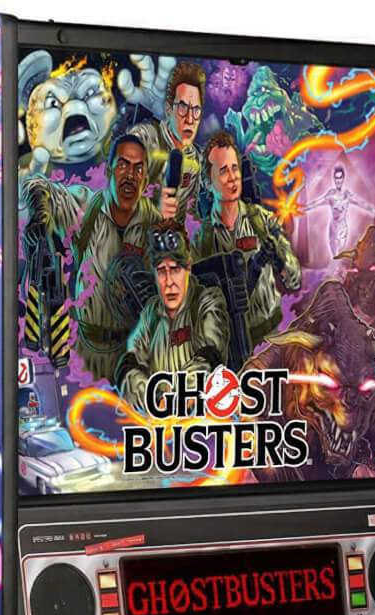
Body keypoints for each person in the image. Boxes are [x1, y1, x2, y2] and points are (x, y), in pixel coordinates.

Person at [19, 132, 157, 382]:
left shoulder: (155, 225)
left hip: (136, 357)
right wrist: (40, 213)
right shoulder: (86, 207)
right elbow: (37, 185)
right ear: (109, 171)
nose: (130, 175)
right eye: (123, 165)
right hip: (86, 352)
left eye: (138, 169)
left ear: (145, 179)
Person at [193, 130, 302, 350]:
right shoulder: (203, 240)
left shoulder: (260, 221)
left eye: (235, 168)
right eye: (223, 170)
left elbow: (294, 280)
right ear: (208, 182)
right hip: (230, 346)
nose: (233, 177)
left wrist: (278, 259)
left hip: (270, 339)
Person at [116, 220, 230, 411]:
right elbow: (129, 367)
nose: (169, 282)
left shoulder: (207, 302)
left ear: (188, 268)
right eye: (162, 271)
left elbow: (209, 359)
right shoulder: (151, 313)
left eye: (175, 270)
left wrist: (175, 399)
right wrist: (154, 400)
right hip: (157, 420)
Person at [128, 60, 207, 223]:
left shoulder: (197, 159)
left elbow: (193, 216)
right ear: (168, 110)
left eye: (196, 110)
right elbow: (116, 197)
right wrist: (153, 212)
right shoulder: (145, 140)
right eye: (183, 107)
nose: (190, 119)